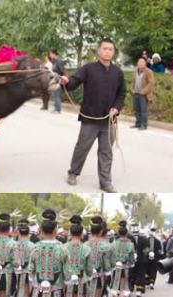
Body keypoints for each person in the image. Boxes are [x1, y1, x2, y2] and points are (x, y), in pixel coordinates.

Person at [60, 38, 125, 193]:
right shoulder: (88, 69)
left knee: (106, 152)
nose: (107, 51)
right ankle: (73, 173)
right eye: (105, 48)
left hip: (109, 121)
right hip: (90, 118)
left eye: (110, 49)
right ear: (99, 51)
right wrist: (66, 82)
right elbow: (74, 82)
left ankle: (105, 182)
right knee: (82, 148)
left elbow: (121, 94)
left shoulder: (118, 73)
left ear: (113, 52)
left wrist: (116, 108)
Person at [61, 217, 89, 297]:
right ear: (82, 233)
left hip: (66, 281)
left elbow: (60, 265)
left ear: (70, 233)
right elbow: (89, 268)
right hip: (80, 280)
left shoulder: (63, 247)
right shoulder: (87, 249)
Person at [12, 218, 35, 297]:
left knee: (19, 291)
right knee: (26, 294)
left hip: (16, 272)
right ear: (29, 232)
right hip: (27, 272)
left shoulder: (14, 244)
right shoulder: (32, 246)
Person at [110, 226, 135, 297]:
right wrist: (131, 263)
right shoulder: (130, 244)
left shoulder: (113, 243)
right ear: (126, 233)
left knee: (114, 287)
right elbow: (132, 258)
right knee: (122, 288)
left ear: (119, 233)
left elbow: (110, 256)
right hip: (124, 267)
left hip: (115, 267)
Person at [130, 57, 155, 131]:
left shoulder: (149, 72)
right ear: (137, 63)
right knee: (136, 109)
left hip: (144, 94)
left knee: (143, 110)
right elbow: (133, 81)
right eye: (139, 62)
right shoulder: (135, 71)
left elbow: (151, 83)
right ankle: (138, 123)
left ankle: (144, 125)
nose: (140, 63)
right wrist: (132, 89)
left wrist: (143, 91)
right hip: (136, 93)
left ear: (145, 63)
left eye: (142, 62)